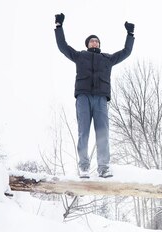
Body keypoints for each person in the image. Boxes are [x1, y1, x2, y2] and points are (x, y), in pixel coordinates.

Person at [54, 13, 135, 178]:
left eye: (97, 41)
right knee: (83, 132)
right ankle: (84, 167)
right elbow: (63, 46)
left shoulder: (107, 59)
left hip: (100, 99)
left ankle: (104, 167)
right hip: (83, 97)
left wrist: (130, 35)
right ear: (87, 44)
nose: (95, 42)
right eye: (92, 40)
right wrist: (59, 26)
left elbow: (126, 52)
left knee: (103, 133)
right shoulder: (80, 56)